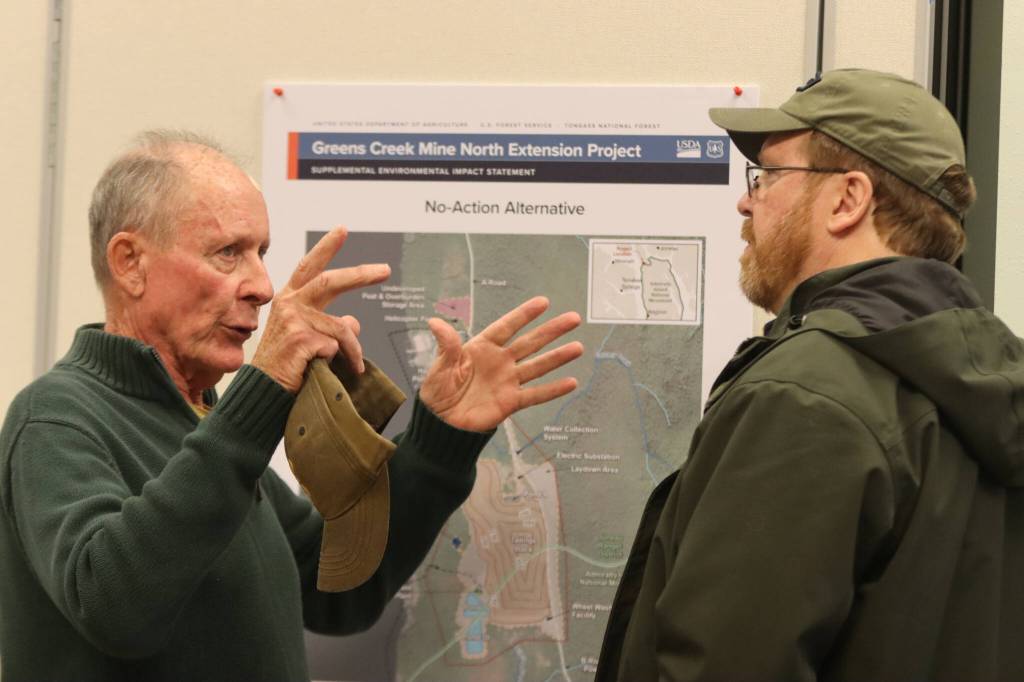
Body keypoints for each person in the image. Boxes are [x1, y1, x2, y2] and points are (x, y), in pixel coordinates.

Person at [0, 130, 584, 681]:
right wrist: (262, 390)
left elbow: (340, 587)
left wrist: (439, 439)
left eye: (262, 252)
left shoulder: (197, 417)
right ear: (130, 262)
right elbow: (113, 607)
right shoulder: (56, 417)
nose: (262, 284)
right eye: (228, 252)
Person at [595, 68, 1024, 681]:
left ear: (848, 199)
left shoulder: (805, 394)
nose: (747, 200)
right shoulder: (987, 387)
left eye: (768, 176)